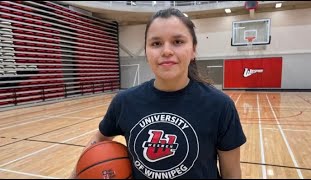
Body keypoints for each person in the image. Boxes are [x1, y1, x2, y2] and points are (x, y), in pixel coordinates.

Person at [70, 7, 246, 179]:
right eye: (156, 43)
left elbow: (231, 174)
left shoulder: (220, 105)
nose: (166, 51)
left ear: (193, 50)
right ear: (146, 52)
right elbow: (99, 139)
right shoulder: (125, 102)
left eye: (178, 41)